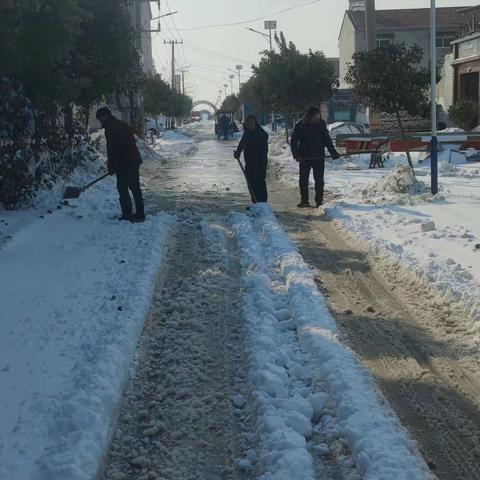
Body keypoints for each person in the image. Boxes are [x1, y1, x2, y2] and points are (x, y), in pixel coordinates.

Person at [96, 107, 145, 222]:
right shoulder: (121, 124)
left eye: (100, 119)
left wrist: (111, 166)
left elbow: (112, 149)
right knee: (134, 187)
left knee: (122, 187)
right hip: (133, 159)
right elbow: (131, 141)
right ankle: (140, 214)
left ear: (105, 116)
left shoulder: (111, 128)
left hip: (125, 162)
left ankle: (127, 214)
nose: (100, 121)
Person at [290, 106, 340, 208]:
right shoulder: (300, 125)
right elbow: (293, 142)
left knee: (319, 180)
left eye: (318, 115)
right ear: (309, 116)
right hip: (305, 157)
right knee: (303, 180)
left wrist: (333, 152)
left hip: (318, 157)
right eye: (316, 116)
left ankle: (319, 201)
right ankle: (304, 201)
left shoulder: (321, 124)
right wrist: (296, 155)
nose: (318, 117)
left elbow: (327, 140)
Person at [234, 114, 269, 203]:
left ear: (255, 123)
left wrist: (261, 162)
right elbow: (242, 142)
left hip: (260, 163)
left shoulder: (261, 134)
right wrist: (238, 152)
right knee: (250, 182)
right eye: (248, 123)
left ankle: (263, 202)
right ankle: (255, 201)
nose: (250, 125)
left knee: (260, 182)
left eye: (252, 123)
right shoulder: (247, 133)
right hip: (250, 163)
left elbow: (264, 151)